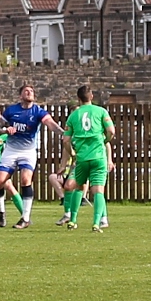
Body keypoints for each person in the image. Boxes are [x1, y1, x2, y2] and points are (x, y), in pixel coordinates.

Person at [0, 84, 65, 229]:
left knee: (26, 179)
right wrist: (6, 130)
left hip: (28, 151)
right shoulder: (12, 110)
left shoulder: (38, 111)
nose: (29, 93)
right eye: (26, 91)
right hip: (11, 150)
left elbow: (51, 124)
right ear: (21, 95)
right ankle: (1, 212)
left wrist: (64, 134)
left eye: (31, 91)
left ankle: (25, 218)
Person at [62, 85, 115, 233]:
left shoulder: (73, 116)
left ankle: (72, 221)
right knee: (98, 190)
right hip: (98, 156)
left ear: (78, 99)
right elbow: (111, 131)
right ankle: (97, 223)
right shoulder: (101, 111)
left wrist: (72, 152)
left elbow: (65, 140)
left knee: (79, 187)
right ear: (91, 96)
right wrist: (104, 141)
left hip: (82, 157)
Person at [53, 141, 114, 228]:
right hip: (81, 163)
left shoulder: (94, 129)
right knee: (71, 186)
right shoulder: (74, 132)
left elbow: (107, 142)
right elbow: (66, 146)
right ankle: (70, 216)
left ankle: (103, 218)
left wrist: (109, 160)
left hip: (96, 161)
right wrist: (64, 164)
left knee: (97, 190)